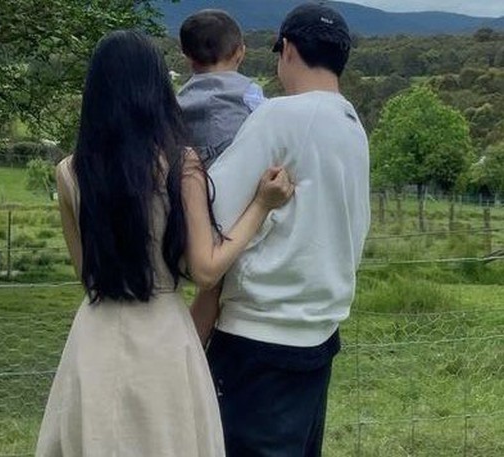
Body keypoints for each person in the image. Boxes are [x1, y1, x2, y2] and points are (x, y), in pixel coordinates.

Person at [35, 30, 294, 457]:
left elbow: (87, 274)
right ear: (155, 88)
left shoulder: (69, 172)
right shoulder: (180, 163)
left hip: (94, 335)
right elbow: (206, 269)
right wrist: (261, 206)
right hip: (162, 338)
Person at [192, 4, 371, 456]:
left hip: (257, 340)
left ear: (287, 50)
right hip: (319, 337)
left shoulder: (279, 116)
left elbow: (213, 210)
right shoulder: (352, 125)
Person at [177, 9, 265, 167]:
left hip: (194, 177)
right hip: (243, 172)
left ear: (186, 57)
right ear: (240, 52)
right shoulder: (249, 92)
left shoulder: (178, 101)